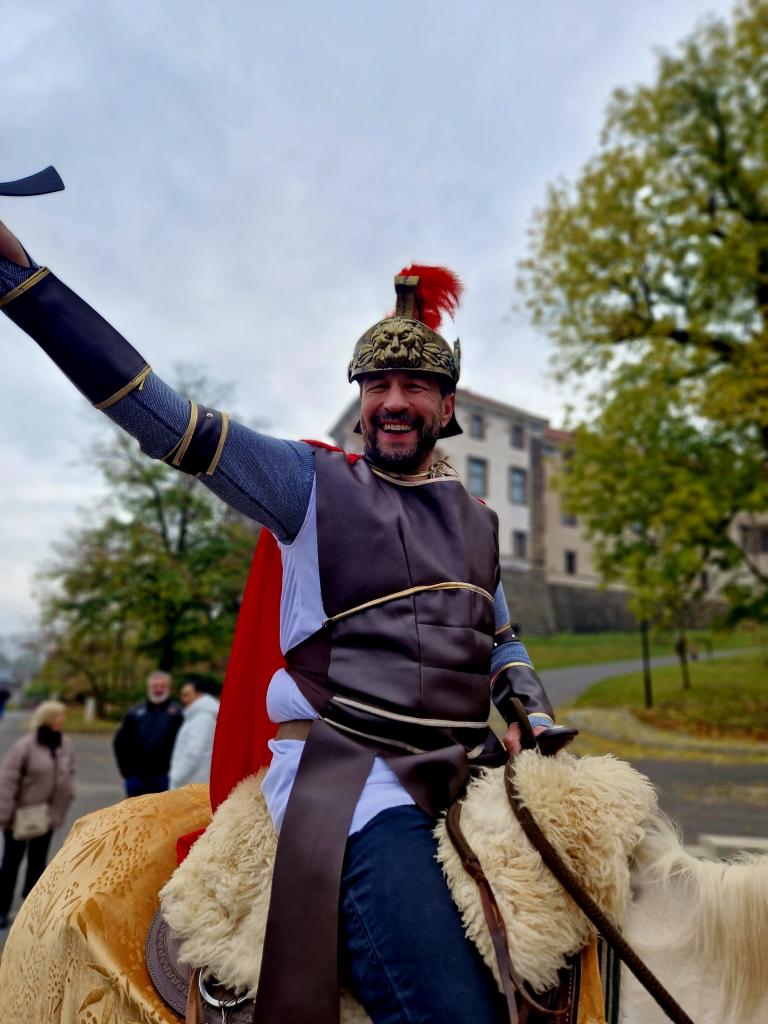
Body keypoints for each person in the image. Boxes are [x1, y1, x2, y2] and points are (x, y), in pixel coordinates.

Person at [0, 222, 565, 1022]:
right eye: (375, 384)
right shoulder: (305, 485)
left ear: (446, 408)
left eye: (414, 385)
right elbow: (166, 418)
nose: (392, 400)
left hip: (457, 772)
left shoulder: (479, 521)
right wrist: (23, 283)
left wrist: (531, 712)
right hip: (354, 784)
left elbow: (499, 637)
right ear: (360, 405)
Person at [0, 700, 76, 929]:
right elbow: (7, 782)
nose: (63, 719)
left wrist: (61, 808)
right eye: (59, 716)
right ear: (48, 718)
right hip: (19, 817)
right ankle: (2, 909)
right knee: (11, 863)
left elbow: (69, 774)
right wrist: (5, 816)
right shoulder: (25, 746)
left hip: (46, 817)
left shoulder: (64, 744)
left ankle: (32, 911)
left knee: (38, 864)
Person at [112, 670, 182, 797]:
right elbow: (120, 742)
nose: (158, 690)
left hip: (165, 776)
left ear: (169, 688)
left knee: (163, 809)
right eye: (155, 686)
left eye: (162, 686)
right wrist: (127, 772)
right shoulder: (135, 712)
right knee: (136, 809)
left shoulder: (178, 713)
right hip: (137, 777)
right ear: (149, 687)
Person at [169, 677, 220, 789]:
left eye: (187, 695)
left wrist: (176, 777)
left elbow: (194, 753)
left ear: (199, 695)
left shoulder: (203, 718)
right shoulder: (196, 716)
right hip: (191, 783)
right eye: (182, 695)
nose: (183, 699)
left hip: (192, 784)